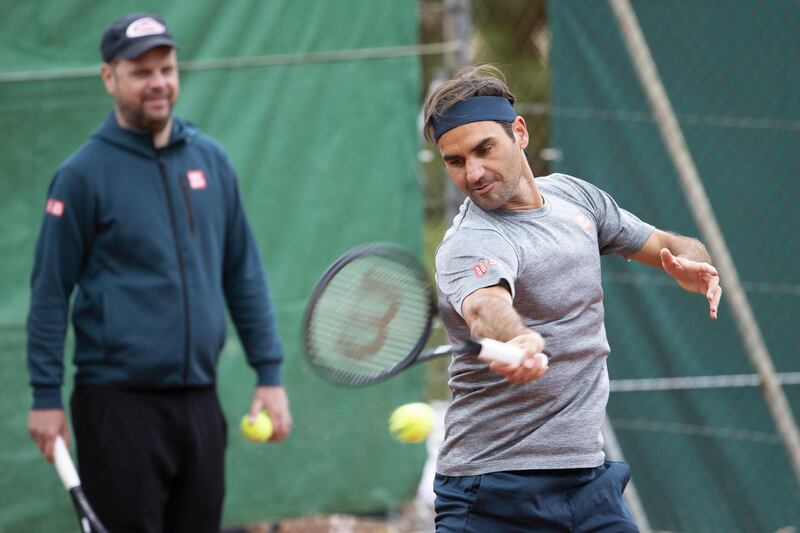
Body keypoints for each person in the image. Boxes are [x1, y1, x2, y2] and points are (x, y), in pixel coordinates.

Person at [423, 66, 722, 532]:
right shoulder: (469, 241)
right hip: (492, 491)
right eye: (455, 161)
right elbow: (485, 307)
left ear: (518, 133)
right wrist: (519, 338)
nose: (474, 173)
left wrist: (687, 261)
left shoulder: (575, 199)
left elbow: (669, 242)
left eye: (484, 149)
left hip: (588, 483)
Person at [26, 12, 292, 532]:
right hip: (116, 410)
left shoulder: (211, 161)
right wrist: (43, 396)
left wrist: (269, 373)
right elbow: (50, 293)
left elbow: (243, 273)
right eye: (141, 71)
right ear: (110, 78)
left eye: (166, 69)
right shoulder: (81, 176)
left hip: (200, 407)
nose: (158, 83)